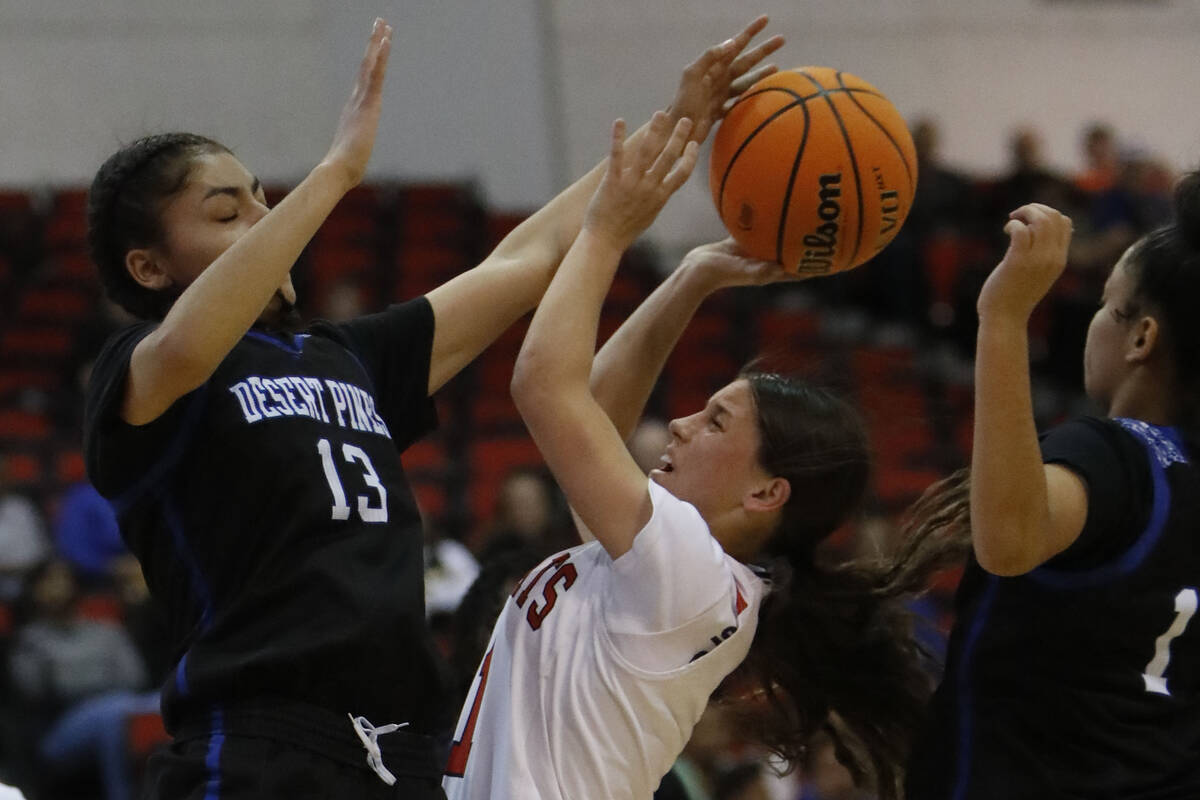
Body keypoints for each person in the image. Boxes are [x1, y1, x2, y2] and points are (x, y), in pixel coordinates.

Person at [82, 16, 784, 800]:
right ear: (148, 267)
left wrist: (678, 121)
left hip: (404, 758)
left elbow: (524, 261)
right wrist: (337, 172)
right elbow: (184, 347)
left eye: (262, 199)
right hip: (256, 744)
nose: (264, 222)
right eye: (227, 213)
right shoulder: (142, 375)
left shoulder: (346, 355)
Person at [443, 99, 966, 800]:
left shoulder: (686, 573)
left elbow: (545, 386)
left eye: (717, 422)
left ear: (765, 493)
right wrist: (693, 277)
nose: (682, 423)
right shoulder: (663, 571)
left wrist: (607, 228)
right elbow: (592, 408)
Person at [904, 181, 1200, 796]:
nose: (1093, 321)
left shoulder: (1116, 454)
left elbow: (1010, 537)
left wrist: (1005, 316)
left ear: (1141, 338)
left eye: (1103, 302)